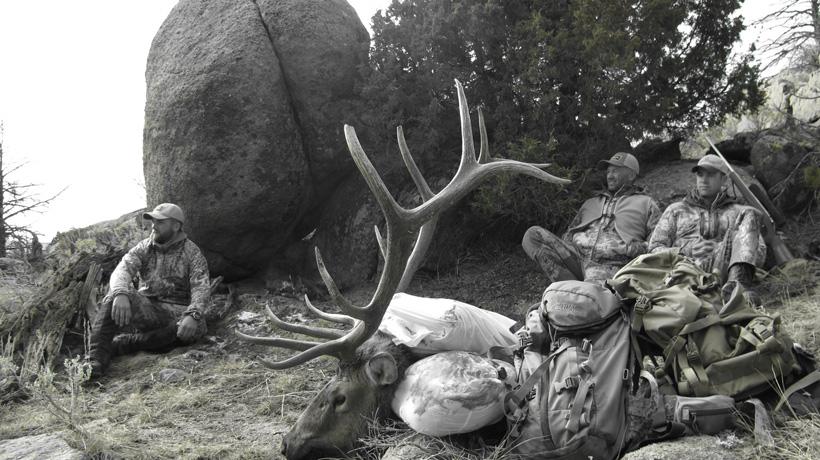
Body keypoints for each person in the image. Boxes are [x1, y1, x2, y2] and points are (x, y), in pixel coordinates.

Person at [87, 203, 210, 377]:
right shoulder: (144, 247)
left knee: (195, 328)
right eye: (153, 221)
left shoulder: (193, 253)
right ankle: (94, 362)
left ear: (176, 226)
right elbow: (122, 270)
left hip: (176, 315)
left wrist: (194, 314)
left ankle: (126, 343)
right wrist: (120, 292)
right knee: (114, 295)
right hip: (147, 308)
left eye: (160, 222)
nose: (154, 225)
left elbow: (201, 288)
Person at [522, 152, 661, 285]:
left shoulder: (646, 203)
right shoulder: (590, 203)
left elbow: (657, 245)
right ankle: (573, 288)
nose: (610, 176)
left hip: (612, 267)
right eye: (608, 172)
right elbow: (568, 235)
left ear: (631, 175)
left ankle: (574, 292)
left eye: (615, 171)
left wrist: (632, 250)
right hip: (577, 260)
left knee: (592, 288)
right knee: (532, 235)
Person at [648, 155, 766, 302]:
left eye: (710, 175)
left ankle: (736, 288)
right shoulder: (676, 210)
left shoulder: (739, 212)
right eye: (700, 174)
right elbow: (653, 249)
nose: (703, 180)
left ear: (723, 180)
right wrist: (687, 251)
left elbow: (759, 252)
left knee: (750, 212)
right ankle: (733, 295)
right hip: (686, 271)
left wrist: (724, 248)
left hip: (725, 270)